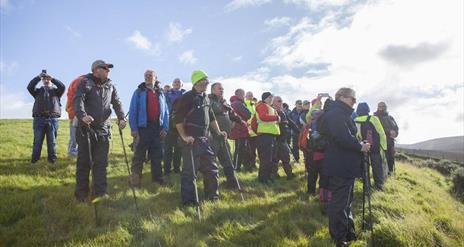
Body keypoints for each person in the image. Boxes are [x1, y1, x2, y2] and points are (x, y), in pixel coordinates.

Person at [319, 88, 371, 246]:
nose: (354, 102)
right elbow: (342, 138)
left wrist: (358, 144)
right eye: (352, 99)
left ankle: (348, 233)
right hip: (340, 165)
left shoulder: (340, 113)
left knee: (346, 202)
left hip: (344, 164)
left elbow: (344, 137)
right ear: (341, 97)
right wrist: (360, 146)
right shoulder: (336, 114)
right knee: (339, 203)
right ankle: (339, 238)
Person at [73, 60, 126, 202]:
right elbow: (78, 100)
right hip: (86, 129)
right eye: (105, 68)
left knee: (101, 163)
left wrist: (122, 118)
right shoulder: (85, 83)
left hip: (104, 129)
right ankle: (81, 195)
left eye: (109, 68)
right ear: (96, 70)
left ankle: (100, 194)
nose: (108, 70)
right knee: (84, 163)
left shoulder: (111, 86)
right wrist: (83, 116)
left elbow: (117, 103)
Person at [174, 70, 225, 205]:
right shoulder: (187, 97)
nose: (208, 82)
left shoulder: (206, 98)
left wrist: (218, 132)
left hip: (205, 139)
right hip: (191, 140)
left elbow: (212, 117)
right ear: (197, 81)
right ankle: (189, 202)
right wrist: (184, 137)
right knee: (190, 172)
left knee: (211, 169)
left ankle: (212, 198)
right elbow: (177, 119)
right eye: (205, 79)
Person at [128, 69, 169, 187]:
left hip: (157, 128)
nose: (147, 77)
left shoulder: (161, 93)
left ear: (155, 78)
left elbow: (166, 112)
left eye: (150, 75)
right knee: (139, 155)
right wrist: (134, 128)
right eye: (145, 75)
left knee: (157, 155)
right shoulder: (139, 92)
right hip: (143, 128)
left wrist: (165, 128)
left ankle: (157, 180)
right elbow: (133, 110)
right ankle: (135, 181)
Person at [27, 70, 65, 164]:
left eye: (47, 78)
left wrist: (52, 78)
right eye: (44, 78)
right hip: (39, 119)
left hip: (53, 119)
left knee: (52, 142)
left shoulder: (57, 91)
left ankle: (52, 161)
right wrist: (39, 77)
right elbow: (30, 86)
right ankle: (34, 161)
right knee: (37, 142)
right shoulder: (37, 91)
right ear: (42, 80)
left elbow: (62, 86)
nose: (46, 80)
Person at [208, 82, 241, 189]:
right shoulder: (208, 100)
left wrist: (234, 120)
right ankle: (212, 187)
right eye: (219, 89)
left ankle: (233, 184)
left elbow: (231, 114)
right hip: (212, 136)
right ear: (212, 90)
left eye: (222, 89)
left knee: (228, 161)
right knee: (211, 162)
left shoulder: (225, 102)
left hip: (224, 136)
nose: (222, 90)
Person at [355, 102, 387, 190]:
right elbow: (381, 133)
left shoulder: (356, 120)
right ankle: (379, 185)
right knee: (377, 166)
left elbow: (357, 135)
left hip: (363, 147)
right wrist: (384, 147)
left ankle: (366, 186)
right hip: (375, 147)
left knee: (365, 168)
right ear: (368, 110)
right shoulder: (373, 119)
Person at [255, 92, 280, 184]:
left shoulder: (269, 107)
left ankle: (267, 177)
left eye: (272, 97)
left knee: (269, 159)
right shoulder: (262, 105)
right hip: (265, 136)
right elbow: (263, 117)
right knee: (266, 159)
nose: (271, 99)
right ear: (265, 98)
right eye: (269, 97)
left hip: (269, 135)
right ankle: (263, 179)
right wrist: (277, 117)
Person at [271, 96, 298, 179]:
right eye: (279, 101)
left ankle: (289, 174)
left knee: (286, 158)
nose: (281, 103)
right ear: (273, 102)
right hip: (275, 139)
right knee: (275, 159)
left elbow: (290, 122)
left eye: (281, 101)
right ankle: (274, 175)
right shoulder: (271, 111)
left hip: (283, 139)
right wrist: (282, 123)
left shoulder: (282, 112)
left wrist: (298, 130)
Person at [164, 78, 186, 175]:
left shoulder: (186, 94)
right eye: (175, 82)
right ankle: (167, 169)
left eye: (179, 82)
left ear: (182, 85)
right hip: (170, 121)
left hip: (182, 122)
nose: (177, 83)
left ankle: (177, 168)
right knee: (168, 147)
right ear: (172, 84)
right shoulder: (167, 94)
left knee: (179, 147)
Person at [229, 89, 252, 171]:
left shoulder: (235, 103)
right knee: (239, 149)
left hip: (240, 129)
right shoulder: (237, 103)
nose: (244, 96)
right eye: (243, 94)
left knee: (242, 149)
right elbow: (248, 114)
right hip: (239, 129)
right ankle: (235, 167)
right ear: (239, 95)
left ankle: (243, 166)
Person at [374, 102, 399, 175]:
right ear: (377, 107)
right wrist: (389, 132)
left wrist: (395, 133)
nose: (382, 107)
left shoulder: (390, 118)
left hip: (390, 142)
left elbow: (396, 128)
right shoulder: (375, 117)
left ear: (386, 107)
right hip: (379, 142)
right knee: (381, 159)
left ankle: (390, 173)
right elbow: (377, 129)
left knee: (390, 157)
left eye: (383, 106)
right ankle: (381, 175)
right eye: (380, 106)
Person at [66, 75, 85, 157]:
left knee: (75, 134)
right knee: (75, 135)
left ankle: (73, 152)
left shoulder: (77, 81)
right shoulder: (81, 81)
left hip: (75, 112)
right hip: (76, 113)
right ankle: (72, 153)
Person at [245, 91, 258, 170]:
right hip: (247, 130)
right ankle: (248, 164)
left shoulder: (254, 105)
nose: (250, 97)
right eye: (249, 95)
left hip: (255, 131)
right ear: (245, 96)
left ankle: (253, 163)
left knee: (253, 149)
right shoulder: (245, 104)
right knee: (248, 149)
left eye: (251, 96)